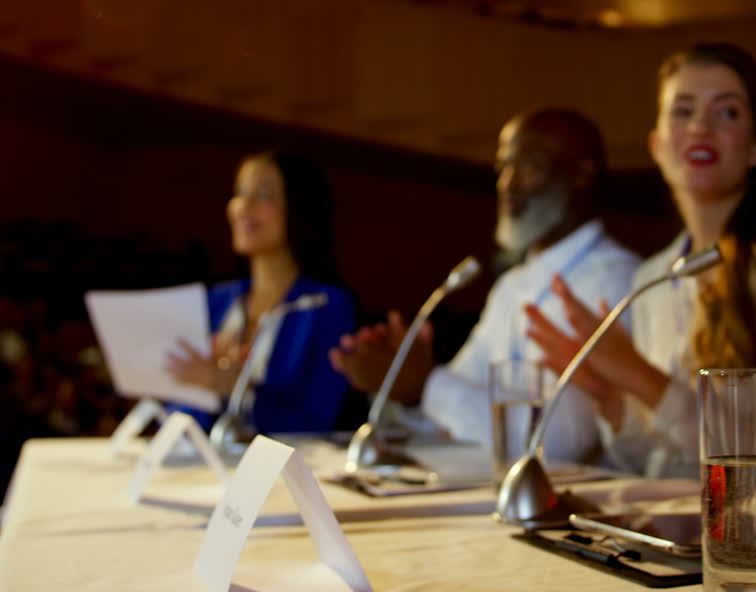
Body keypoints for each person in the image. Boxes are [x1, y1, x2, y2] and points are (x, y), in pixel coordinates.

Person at [526, 43, 756, 505]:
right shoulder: (654, 277)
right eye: (683, 111)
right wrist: (611, 401)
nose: (701, 126)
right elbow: (655, 469)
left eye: (728, 113)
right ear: (657, 146)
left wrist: (642, 378)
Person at [329, 107, 640, 463]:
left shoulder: (616, 279)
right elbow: (453, 409)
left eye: (530, 166)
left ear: (581, 175)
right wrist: (399, 379)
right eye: (503, 168)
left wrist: (424, 385)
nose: (508, 184)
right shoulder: (513, 284)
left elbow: (560, 442)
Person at [165, 151, 357, 435]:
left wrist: (238, 389)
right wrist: (202, 386)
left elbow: (317, 422)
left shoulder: (326, 306)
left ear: (299, 207)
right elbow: (179, 416)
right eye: (240, 193)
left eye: (264, 194)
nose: (244, 206)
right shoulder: (216, 302)